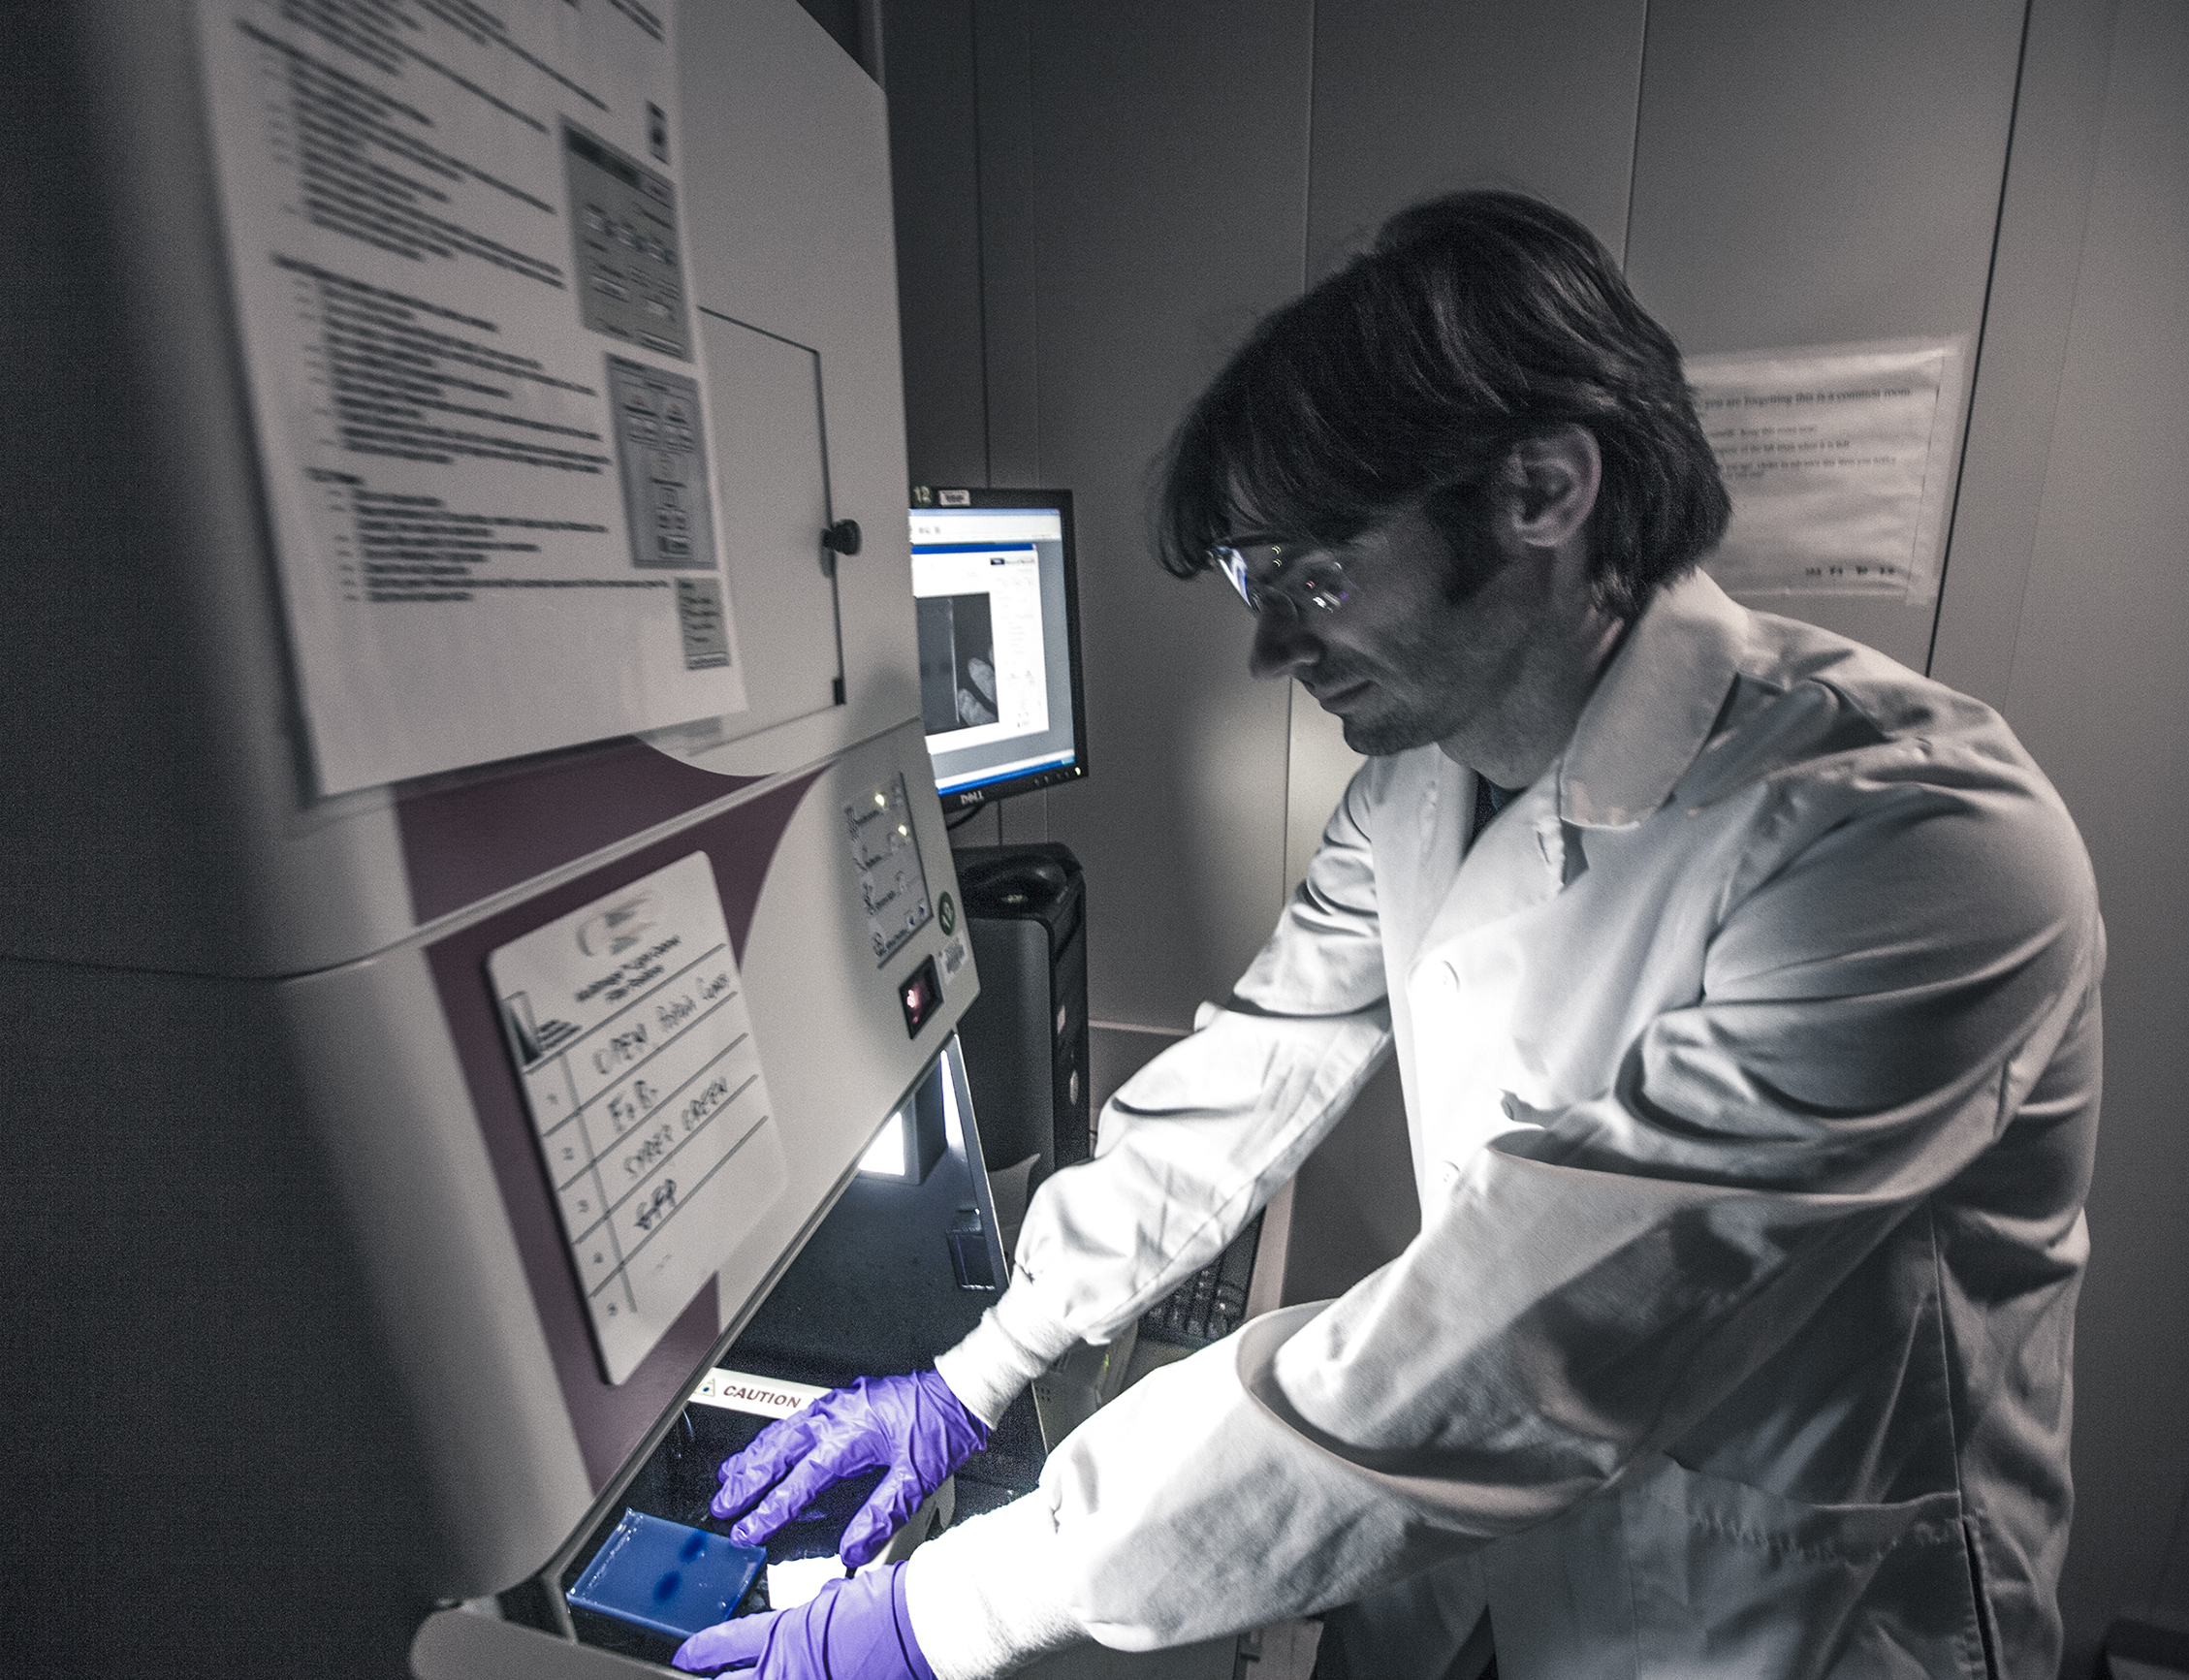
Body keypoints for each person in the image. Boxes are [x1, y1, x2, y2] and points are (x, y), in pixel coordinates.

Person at [673, 191, 2103, 1680]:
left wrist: (937, 1612)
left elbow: (1518, 1338)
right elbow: (1244, 1081)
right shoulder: (1427, 780)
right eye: (1254, 578)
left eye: (1315, 574)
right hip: (1519, 1565)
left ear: (1541, 490)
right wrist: (977, 1373)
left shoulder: (1914, 846)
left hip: (1787, 1609)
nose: (1273, 646)